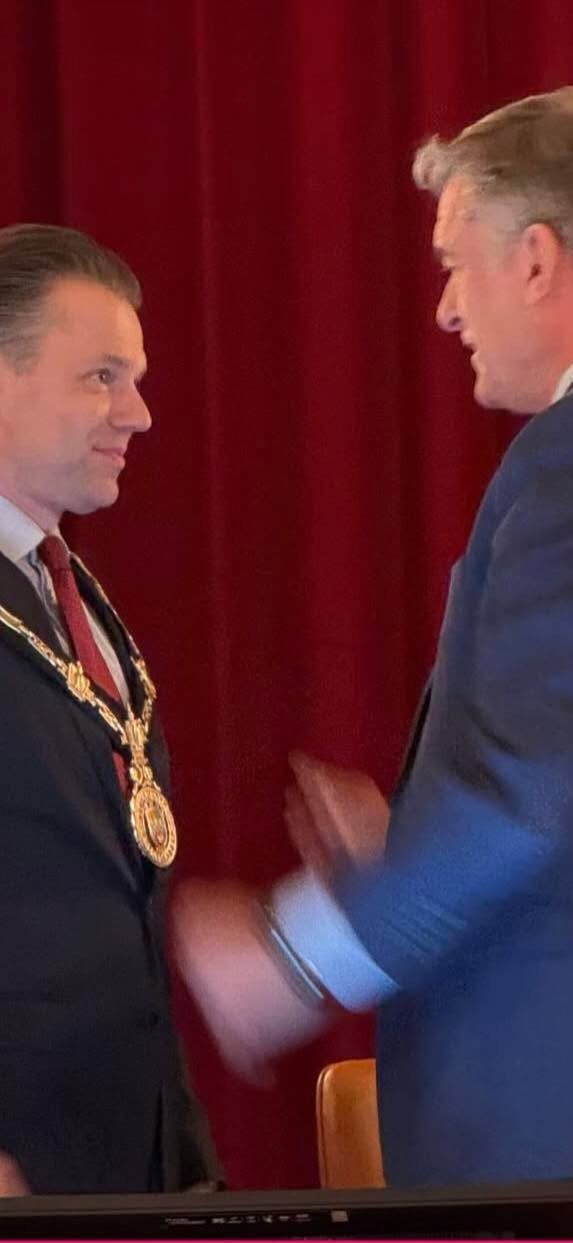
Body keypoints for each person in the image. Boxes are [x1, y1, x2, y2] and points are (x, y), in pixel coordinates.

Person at [175, 86, 573, 1187]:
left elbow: (527, 790)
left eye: (454, 264)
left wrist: (289, 955)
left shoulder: (564, 470)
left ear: (535, 261)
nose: (443, 309)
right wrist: (415, 853)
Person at [0, 224, 220, 1195]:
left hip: (125, 1168)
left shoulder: (72, 593)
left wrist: (185, 1166)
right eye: (101, 377)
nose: (138, 413)